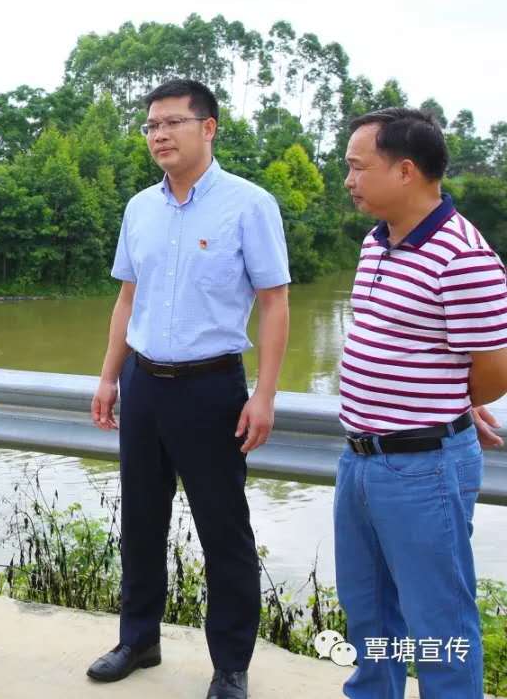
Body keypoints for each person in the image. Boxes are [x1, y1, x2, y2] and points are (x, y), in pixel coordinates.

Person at [86, 79, 291, 699]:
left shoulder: (249, 204)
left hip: (211, 390)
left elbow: (275, 303)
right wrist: (107, 376)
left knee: (223, 531)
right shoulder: (139, 209)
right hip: (143, 382)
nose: (159, 135)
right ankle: (138, 639)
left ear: (209, 128)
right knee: (141, 521)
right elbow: (128, 298)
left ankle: (230, 664)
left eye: (173, 123)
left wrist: (266, 394)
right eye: (151, 126)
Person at [334, 107, 507, 699]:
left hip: (421, 466)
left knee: (439, 620)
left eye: (358, 167)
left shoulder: (464, 257)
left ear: (405, 170)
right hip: (359, 457)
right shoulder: (376, 242)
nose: (349, 180)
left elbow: (495, 370)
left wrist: (446, 405)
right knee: (369, 612)